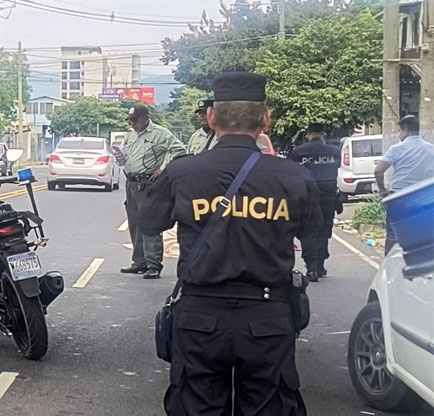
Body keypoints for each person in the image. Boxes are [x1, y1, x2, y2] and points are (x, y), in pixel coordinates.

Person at [140, 71, 320, 415]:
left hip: (199, 320)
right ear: (265, 119)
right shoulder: (295, 177)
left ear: (211, 118)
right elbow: (312, 235)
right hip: (268, 318)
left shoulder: (183, 172)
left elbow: (148, 222)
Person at [120, 103, 187, 279]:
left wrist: (163, 169)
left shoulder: (160, 133)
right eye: (130, 121)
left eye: (135, 121)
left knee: (150, 223)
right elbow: (126, 157)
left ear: (145, 118)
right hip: (132, 183)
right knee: (134, 222)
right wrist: (120, 158)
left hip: (149, 184)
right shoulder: (130, 135)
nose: (132, 124)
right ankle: (140, 262)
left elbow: (180, 150)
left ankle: (153, 264)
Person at [288, 123, 341, 282]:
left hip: (306, 197)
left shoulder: (298, 153)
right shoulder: (334, 152)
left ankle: (311, 267)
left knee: (308, 231)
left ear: (308, 135)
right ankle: (320, 264)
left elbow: (291, 174)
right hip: (328, 197)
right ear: (323, 134)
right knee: (324, 229)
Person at [375, 115, 434, 254]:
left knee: (394, 236)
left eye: (400, 131)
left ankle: (390, 270)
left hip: (400, 197)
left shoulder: (397, 149)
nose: (399, 135)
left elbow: (378, 170)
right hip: (424, 197)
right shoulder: (431, 149)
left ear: (406, 130)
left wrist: (383, 190)